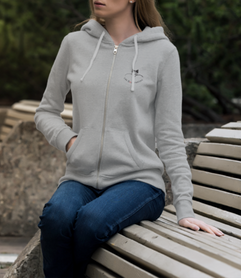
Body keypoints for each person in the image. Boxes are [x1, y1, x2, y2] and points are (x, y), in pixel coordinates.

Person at [34, 0, 224, 277]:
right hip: (81, 177)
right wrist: (71, 141)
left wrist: (185, 208)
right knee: (55, 218)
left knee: (91, 221)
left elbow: (170, 135)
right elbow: (46, 111)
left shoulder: (162, 52)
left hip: (139, 182)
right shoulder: (74, 44)